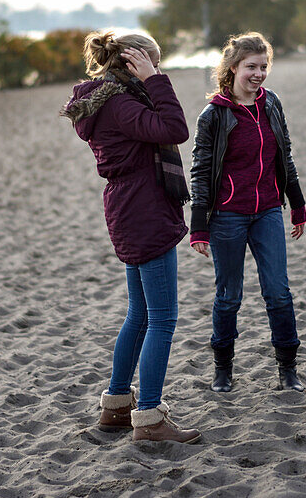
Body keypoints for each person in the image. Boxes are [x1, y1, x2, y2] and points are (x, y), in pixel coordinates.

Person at [61, 31, 201, 443]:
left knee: (139, 314)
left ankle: (117, 407)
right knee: (162, 317)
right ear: (135, 63)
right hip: (143, 209)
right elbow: (175, 128)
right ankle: (150, 418)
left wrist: (151, 79)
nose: (159, 72)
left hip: (127, 207)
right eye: (155, 64)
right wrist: (157, 81)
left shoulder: (104, 102)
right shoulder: (121, 104)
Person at [189, 32, 306, 394]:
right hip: (227, 217)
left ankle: (288, 370)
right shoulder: (214, 115)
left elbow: (283, 155)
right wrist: (199, 227)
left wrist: (297, 205)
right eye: (251, 67)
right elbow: (200, 169)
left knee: (279, 293)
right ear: (232, 68)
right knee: (229, 296)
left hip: (268, 211)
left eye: (264, 66)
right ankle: (222, 370)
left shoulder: (271, 104)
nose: (258, 74)